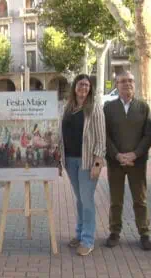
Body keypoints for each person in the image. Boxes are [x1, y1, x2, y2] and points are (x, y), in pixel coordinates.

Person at [104, 71, 151, 250]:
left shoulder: (143, 107)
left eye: (130, 80)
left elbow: (149, 135)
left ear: (135, 83)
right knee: (116, 200)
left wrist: (135, 154)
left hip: (137, 163)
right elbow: (105, 135)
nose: (127, 84)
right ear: (116, 85)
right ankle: (114, 232)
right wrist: (117, 155)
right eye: (122, 81)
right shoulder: (108, 108)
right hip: (115, 162)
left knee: (140, 200)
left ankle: (144, 233)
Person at [60, 74, 106, 256]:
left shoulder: (94, 109)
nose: (84, 88)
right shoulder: (68, 108)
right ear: (75, 87)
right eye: (81, 84)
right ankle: (79, 235)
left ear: (90, 89)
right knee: (80, 199)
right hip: (70, 160)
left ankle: (88, 240)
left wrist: (97, 162)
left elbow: (101, 139)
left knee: (87, 201)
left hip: (87, 162)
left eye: (87, 85)